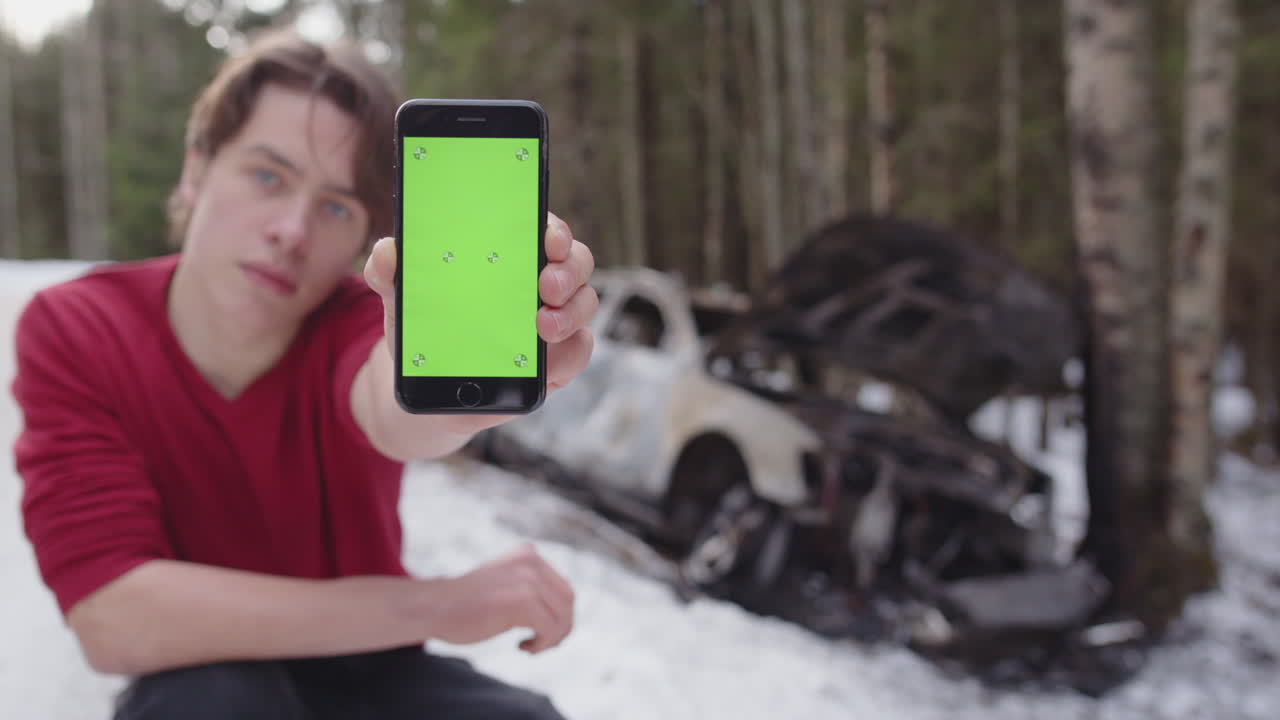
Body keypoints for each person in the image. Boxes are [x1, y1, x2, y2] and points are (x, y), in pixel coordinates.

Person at [11, 27, 597, 720]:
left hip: (373, 672)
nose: (292, 230)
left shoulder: (356, 319)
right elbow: (113, 617)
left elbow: (386, 400)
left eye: (335, 206)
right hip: (204, 679)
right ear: (196, 170)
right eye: (268, 176)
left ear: (362, 237)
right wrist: (437, 605)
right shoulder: (79, 328)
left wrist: (461, 402)